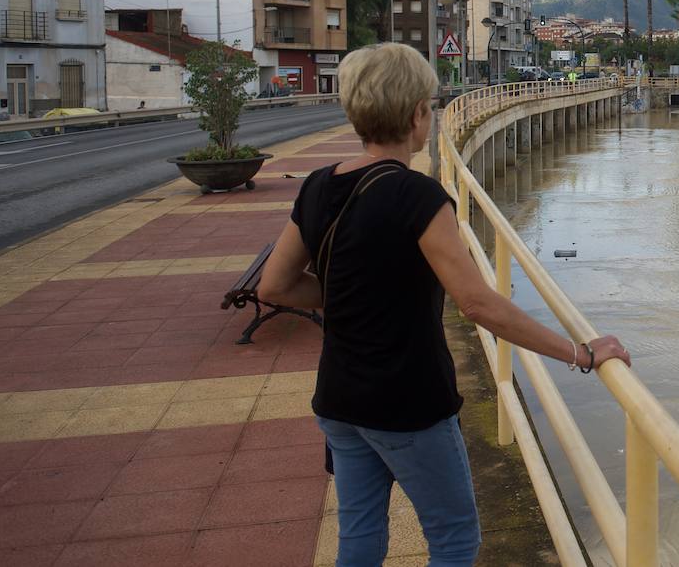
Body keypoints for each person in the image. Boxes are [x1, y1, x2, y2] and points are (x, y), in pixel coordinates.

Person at [260, 43, 630, 567]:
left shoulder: (319, 186)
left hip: (339, 401)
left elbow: (274, 286)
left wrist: (355, 293)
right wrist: (580, 352)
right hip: (409, 404)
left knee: (361, 536)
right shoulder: (418, 196)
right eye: (431, 106)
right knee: (455, 541)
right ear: (417, 115)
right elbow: (477, 304)